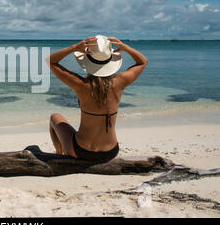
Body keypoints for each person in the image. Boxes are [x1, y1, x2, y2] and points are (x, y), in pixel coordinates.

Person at [46, 35, 148, 163]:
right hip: (111, 151)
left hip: (81, 151)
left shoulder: (81, 85)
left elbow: (50, 61)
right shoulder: (119, 82)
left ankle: (60, 154)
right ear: (110, 61)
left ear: (87, 62)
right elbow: (143, 62)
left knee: (54, 117)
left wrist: (74, 48)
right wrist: (125, 48)